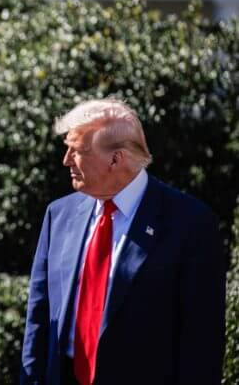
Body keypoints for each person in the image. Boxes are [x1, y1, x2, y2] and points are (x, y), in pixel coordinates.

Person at [20, 98, 226, 385]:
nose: (66, 160)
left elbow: (201, 342)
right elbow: (39, 318)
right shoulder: (59, 215)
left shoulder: (190, 223)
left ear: (116, 159)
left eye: (78, 151)